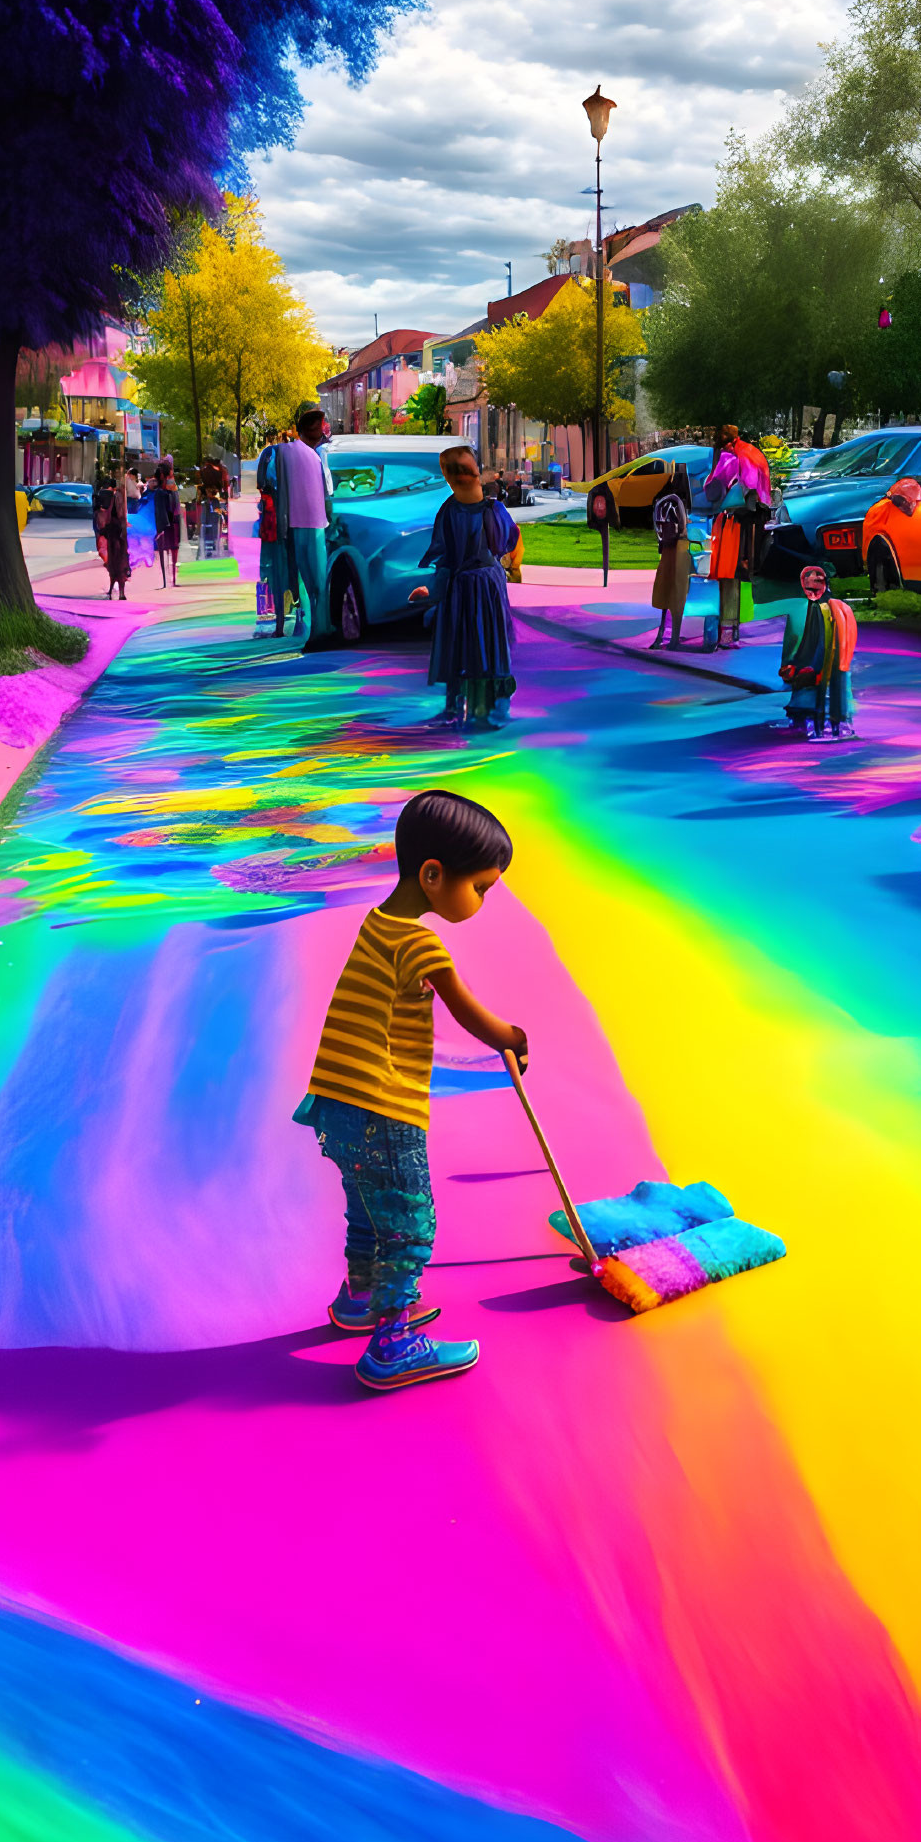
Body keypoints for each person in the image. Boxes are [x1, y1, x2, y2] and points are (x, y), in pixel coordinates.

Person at [294, 790, 528, 1391]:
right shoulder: (422, 943)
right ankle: (394, 1344)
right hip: (381, 1106)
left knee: (368, 1209)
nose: (481, 901)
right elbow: (471, 1015)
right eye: (479, 887)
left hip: (337, 1102)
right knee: (409, 1222)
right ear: (433, 875)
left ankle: (360, 1299)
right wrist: (511, 1035)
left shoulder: (379, 923)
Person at [408, 446, 520, 727]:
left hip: (460, 586)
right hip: (489, 585)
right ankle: (491, 708)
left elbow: (444, 556)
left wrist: (434, 592)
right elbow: (507, 542)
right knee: (489, 641)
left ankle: (455, 705)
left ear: (448, 476)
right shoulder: (494, 509)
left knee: (460, 642)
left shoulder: (449, 511)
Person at [704, 424, 771, 651]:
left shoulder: (729, 458)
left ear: (725, 442)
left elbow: (712, 488)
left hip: (732, 522)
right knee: (742, 573)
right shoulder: (753, 453)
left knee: (727, 575)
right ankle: (735, 632)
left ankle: (725, 634)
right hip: (754, 521)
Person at [777, 561, 858, 739]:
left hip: (828, 661)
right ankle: (829, 723)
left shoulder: (832, 608)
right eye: (808, 586)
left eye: (817, 583)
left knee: (826, 691)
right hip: (814, 663)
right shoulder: (807, 609)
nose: (812, 590)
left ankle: (831, 723)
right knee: (816, 692)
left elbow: (847, 635)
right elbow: (795, 638)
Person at [279, 407, 332, 647]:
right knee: (318, 582)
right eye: (322, 426)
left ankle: (315, 630)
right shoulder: (317, 455)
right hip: (315, 524)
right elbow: (328, 491)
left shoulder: (288, 452)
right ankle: (319, 631)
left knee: (308, 583)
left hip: (295, 524)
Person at [646, 478, 693, 650]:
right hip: (680, 548)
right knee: (678, 592)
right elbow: (683, 528)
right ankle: (673, 636)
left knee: (668, 592)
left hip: (668, 549)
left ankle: (664, 635)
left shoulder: (664, 499)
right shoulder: (679, 502)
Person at [253, 430, 288, 634]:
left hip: (271, 527)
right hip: (287, 527)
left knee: (271, 571)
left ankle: (277, 620)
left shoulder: (267, 454)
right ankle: (285, 618)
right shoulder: (294, 455)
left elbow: (260, 484)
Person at [92, 461, 132, 600]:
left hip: (110, 531)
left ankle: (112, 587)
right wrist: (124, 526)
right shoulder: (118, 497)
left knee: (113, 559)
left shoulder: (105, 495)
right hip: (118, 532)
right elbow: (121, 515)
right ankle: (121, 590)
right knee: (120, 558)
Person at [151, 459, 182, 588]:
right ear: (164, 476)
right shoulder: (160, 492)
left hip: (172, 523)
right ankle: (166, 580)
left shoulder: (169, 489)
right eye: (169, 475)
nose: (171, 478)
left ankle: (172, 579)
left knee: (173, 550)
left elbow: (176, 505)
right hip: (166, 525)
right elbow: (160, 511)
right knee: (165, 551)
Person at [196, 453, 232, 555]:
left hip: (205, 498)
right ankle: (214, 543)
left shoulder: (202, 470)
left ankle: (203, 543)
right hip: (216, 498)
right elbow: (225, 483)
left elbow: (198, 483)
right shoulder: (220, 470)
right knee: (216, 520)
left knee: (204, 520)